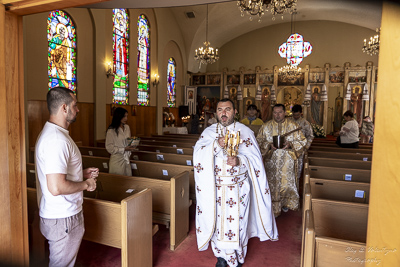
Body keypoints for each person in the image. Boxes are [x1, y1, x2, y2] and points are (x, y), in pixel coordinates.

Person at [194, 98, 278, 267]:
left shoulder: (245, 131)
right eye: (220, 110)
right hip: (215, 188)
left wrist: (240, 160)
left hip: (238, 189)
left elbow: (256, 161)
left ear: (234, 112)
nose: (223, 113)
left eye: (227, 109)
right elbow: (198, 157)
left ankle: (237, 258)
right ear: (216, 112)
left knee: (237, 224)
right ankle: (221, 257)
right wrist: (216, 145)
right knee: (217, 223)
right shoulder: (209, 132)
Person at [35, 87, 98, 267]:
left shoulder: (53, 134)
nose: (77, 109)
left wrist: (80, 174)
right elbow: (56, 187)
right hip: (63, 216)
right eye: (75, 105)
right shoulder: (57, 140)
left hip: (59, 214)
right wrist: (86, 184)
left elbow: (57, 175)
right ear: (64, 108)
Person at [256, 104, 306, 217]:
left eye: (279, 112)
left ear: (284, 113)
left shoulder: (293, 126)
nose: (277, 115)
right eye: (275, 112)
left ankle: (285, 203)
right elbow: (259, 141)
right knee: (270, 183)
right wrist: (268, 145)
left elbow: (302, 141)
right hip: (271, 162)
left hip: (287, 161)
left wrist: (290, 144)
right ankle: (270, 205)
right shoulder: (266, 126)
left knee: (286, 184)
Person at [106, 107, 137, 176]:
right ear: (118, 116)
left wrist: (132, 145)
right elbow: (109, 147)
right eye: (124, 116)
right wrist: (124, 149)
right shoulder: (111, 130)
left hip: (126, 159)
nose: (126, 118)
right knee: (118, 182)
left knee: (128, 182)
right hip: (117, 160)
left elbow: (128, 141)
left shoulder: (127, 127)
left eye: (127, 116)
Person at [289, 105, 314, 183]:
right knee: (288, 169)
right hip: (288, 149)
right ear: (292, 113)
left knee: (298, 170)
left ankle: (296, 185)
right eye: (294, 115)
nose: (296, 116)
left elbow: (310, 136)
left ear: (301, 113)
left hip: (300, 149)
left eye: (298, 115)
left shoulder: (305, 123)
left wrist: (306, 146)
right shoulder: (288, 122)